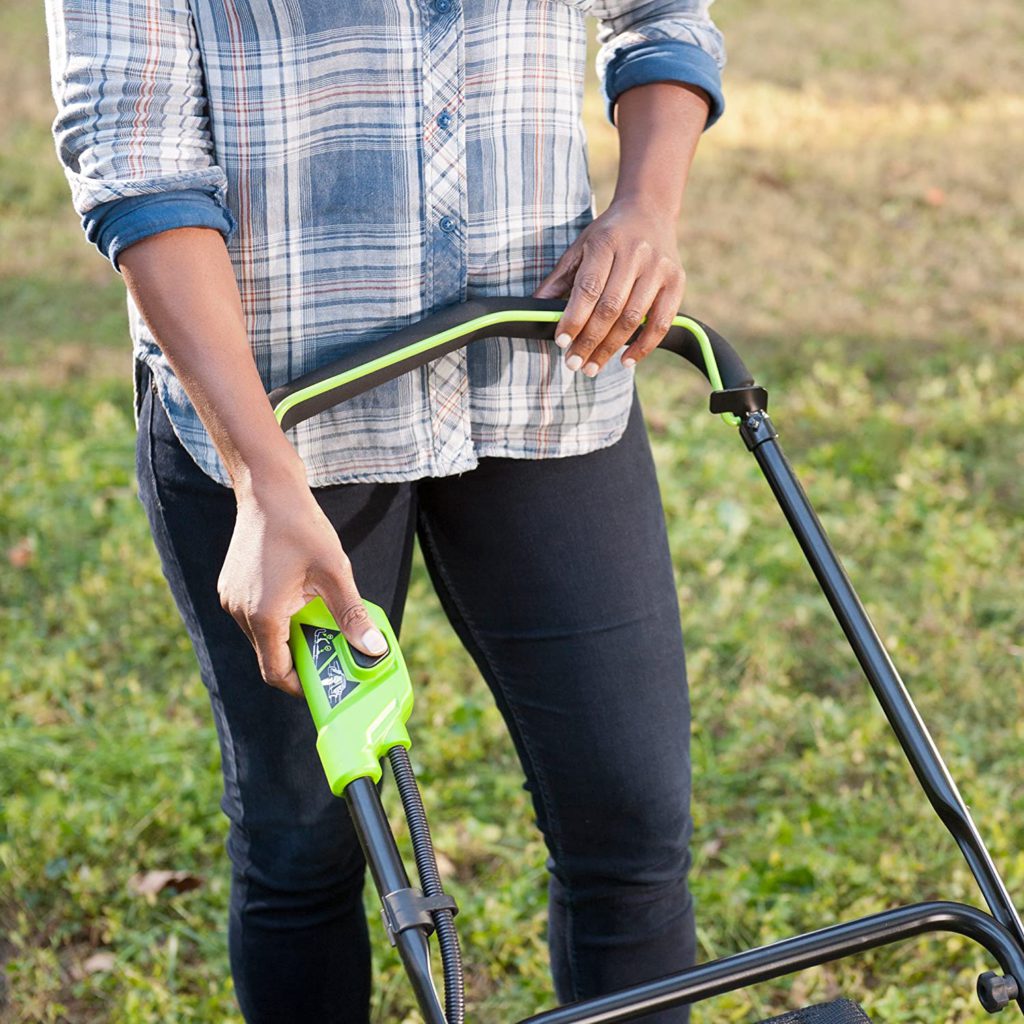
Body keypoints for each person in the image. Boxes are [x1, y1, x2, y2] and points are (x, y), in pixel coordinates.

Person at [44, 2, 725, 1021]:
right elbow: (135, 156)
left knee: (629, 822)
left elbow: (661, 15)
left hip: (536, 375)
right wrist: (261, 478)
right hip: (281, 413)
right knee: (305, 838)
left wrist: (646, 207)